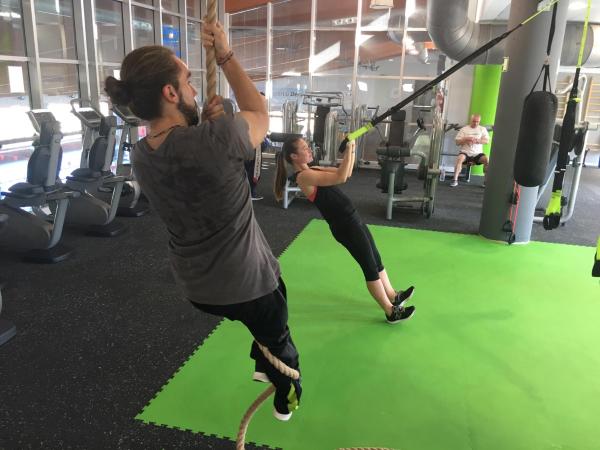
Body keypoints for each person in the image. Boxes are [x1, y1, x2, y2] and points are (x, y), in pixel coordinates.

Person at [103, 22, 301, 422]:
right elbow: (261, 111)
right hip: (247, 282)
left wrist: (211, 122)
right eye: (187, 82)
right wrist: (225, 57)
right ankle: (286, 396)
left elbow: (186, 153)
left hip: (197, 288)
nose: (194, 89)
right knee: (280, 332)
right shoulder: (217, 139)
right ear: (170, 93)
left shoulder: (142, 154)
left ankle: (262, 359)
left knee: (263, 311)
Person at [274, 137, 416, 324]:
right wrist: (348, 148)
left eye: (308, 147)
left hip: (353, 219)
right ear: (294, 156)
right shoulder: (304, 177)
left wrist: (353, 148)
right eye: (304, 148)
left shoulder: (313, 169)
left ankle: (392, 295)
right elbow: (340, 177)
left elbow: (346, 173)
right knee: (369, 267)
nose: (309, 150)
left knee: (376, 259)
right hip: (345, 226)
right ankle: (390, 311)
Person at [451, 113, 489, 187]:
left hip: (477, 154)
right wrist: (465, 139)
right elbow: (457, 142)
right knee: (460, 159)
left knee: (486, 159)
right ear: (470, 120)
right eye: (474, 121)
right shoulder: (464, 129)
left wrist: (478, 140)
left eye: (477, 122)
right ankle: (454, 180)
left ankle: (486, 181)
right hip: (465, 152)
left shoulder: (482, 129)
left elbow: (486, 141)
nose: (475, 123)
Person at [244, 92, 269, 201]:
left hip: (254, 146)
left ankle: (249, 192)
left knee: (251, 169)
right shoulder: (250, 114)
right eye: (261, 101)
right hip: (251, 147)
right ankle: (250, 193)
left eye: (263, 101)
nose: (263, 103)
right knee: (252, 170)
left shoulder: (259, 114)